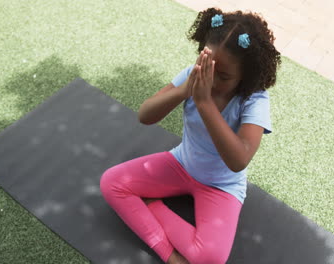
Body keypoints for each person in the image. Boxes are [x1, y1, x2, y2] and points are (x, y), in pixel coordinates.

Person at [100, 7, 281, 264]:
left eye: (224, 76)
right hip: (181, 165)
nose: (212, 79)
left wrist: (204, 103)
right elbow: (145, 115)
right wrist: (184, 90)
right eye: (207, 65)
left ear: (245, 77)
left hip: (222, 186)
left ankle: (153, 205)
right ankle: (170, 256)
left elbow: (239, 159)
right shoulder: (193, 77)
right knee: (112, 183)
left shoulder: (254, 100)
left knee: (211, 258)